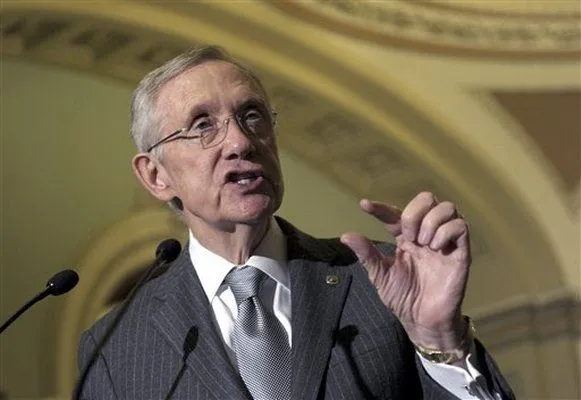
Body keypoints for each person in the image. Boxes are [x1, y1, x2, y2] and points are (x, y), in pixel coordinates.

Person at [77, 46, 515, 399]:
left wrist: (440, 339)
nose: (240, 141)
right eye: (203, 125)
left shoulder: (383, 282)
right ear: (156, 175)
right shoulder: (116, 347)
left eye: (252, 115)